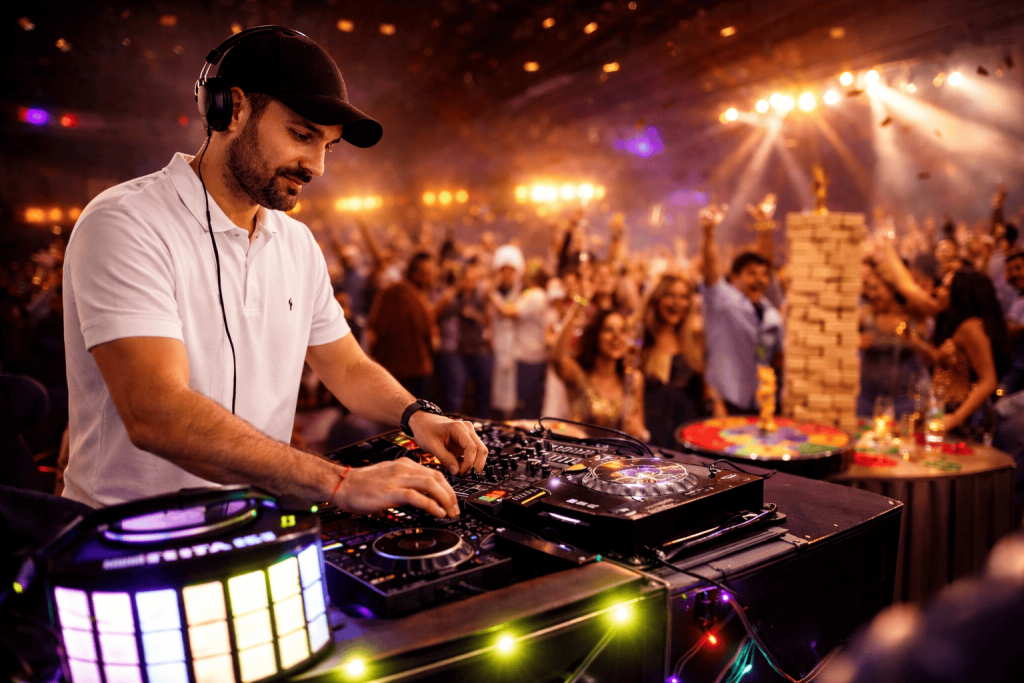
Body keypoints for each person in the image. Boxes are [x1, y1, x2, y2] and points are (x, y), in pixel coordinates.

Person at [61, 28, 485, 515]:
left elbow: (346, 367)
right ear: (231, 109)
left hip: (254, 525)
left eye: (329, 146)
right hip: (129, 540)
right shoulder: (125, 221)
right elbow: (155, 412)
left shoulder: (298, 244)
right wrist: (339, 482)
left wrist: (416, 415)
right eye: (302, 135)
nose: (317, 166)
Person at [700, 206, 784, 414]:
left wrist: (765, 229)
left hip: (759, 404)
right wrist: (709, 233)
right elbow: (710, 269)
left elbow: (776, 357)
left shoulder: (770, 313)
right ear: (735, 277)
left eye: (764, 274)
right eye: (751, 273)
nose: (759, 279)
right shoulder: (723, 301)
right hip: (724, 403)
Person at [905, 269, 1010, 434]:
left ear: (962, 293)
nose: (938, 291)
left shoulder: (971, 327)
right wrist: (914, 341)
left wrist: (955, 418)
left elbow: (989, 381)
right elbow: (938, 357)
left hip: (962, 417)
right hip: (945, 410)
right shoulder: (960, 325)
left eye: (946, 287)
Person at [640, 274, 717, 448]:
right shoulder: (641, 339)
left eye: (684, 297)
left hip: (686, 437)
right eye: (670, 295)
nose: (677, 303)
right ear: (657, 298)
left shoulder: (695, 340)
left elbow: (707, 391)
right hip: (648, 438)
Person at [551, 302, 647, 439]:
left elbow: (640, 429)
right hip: (581, 450)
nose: (617, 337)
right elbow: (556, 357)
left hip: (620, 452)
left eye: (623, 331)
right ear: (595, 335)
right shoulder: (579, 374)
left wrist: (639, 432)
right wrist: (579, 303)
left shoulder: (633, 379)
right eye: (608, 330)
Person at [858, 262, 929, 417]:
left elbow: (930, 356)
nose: (872, 294)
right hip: (867, 401)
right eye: (868, 288)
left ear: (892, 287)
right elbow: (841, 337)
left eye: (876, 288)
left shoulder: (913, 317)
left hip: (905, 403)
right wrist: (856, 340)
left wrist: (914, 342)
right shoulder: (866, 315)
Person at [367, 251, 439, 398]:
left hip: (409, 368)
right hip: (405, 370)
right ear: (417, 274)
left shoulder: (419, 295)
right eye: (428, 273)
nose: (432, 278)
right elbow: (374, 329)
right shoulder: (396, 292)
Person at [492, 261, 549, 420]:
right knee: (527, 401)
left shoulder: (536, 295)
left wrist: (491, 293)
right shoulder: (536, 295)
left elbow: (508, 312)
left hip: (529, 356)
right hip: (530, 353)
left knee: (526, 403)